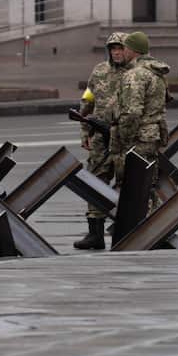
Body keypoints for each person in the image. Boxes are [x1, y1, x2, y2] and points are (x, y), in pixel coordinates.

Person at [72, 32, 128, 250]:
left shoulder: (135, 73)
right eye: (113, 48)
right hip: (99, 138)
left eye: (120, 48)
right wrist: (85, 131)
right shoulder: (99, 71)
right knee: (95, 182)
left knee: (127, 182)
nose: (116, 52)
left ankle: (124, 227)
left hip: (123, 137)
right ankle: (94, 233)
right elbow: (88, 101)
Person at [111, 30, 170, 223]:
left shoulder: (135, 75)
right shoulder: (156, 72)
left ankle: (140, 227)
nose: (123, 51)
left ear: (132, 50)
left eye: (125, 47)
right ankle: (155, 225)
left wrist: (124, 137)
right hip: (152, 135)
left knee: (135, 187)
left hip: (138, 138)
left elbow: (132, 112)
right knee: (148, 185)